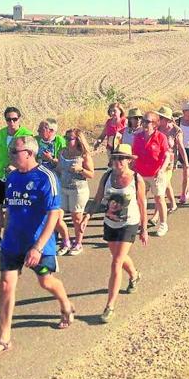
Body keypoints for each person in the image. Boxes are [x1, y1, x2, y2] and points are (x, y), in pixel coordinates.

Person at [0, 136, 74, 361]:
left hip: (38, 245)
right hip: (13, 243)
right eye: (11, 150)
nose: (12, 154)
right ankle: (4, 338)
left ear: (30, 153)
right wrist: (4, 233)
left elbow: (54, 214)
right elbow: (10, 209)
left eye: (16, 151)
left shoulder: (47, 178)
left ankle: (66, 305)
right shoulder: (12, 177)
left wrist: (38, 247)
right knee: (6, 286)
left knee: (46, 281)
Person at [80, 144, 147, 323]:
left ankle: (109, 306)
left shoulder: (136, 179)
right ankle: (134, 275)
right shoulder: (107, 176)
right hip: (110, 223)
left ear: (128, 161)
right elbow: (98, 198)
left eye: (121, 158)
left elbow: (142, 204)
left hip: (129, 224)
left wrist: (144, 228)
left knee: (116, 261)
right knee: (119, 256)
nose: (117, 161)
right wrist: (88, 215)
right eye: (115, 158)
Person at [0, 107, 33, 252]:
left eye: (14, 119)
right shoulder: (0, 134)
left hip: (18, 176)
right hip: (1, 176)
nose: (11, 122)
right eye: (8, 119)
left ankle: (12, 238)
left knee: (12, 209)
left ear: (19, 119)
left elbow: (31, 157)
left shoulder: (26, 134)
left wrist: (17, 167)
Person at [35, 119, 71, 255]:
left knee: (55, 216)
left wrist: (51, 159)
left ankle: (66, 241)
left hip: (56, 182)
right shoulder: (36, 140)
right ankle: (45, 240)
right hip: (40, 182)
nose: (38, 131)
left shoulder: (60, 142)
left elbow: (63, 165)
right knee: (41, 214)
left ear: (50, 131)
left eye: (40, 129)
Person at [131, 111, 169, 237]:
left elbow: (166, 156)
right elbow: (133, 155)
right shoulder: (138, 137)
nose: (144, 123)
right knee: (141, 200)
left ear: (155, 124)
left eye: (147, 121)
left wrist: (162, 170)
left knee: (159, 198)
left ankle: (163, 224)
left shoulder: (161, 137)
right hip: (141, 174)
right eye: (144, 120)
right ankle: (142, 224)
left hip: (156, 173)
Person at [57, 128, 94, 256]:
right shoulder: (62, 152)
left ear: (77, 140)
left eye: (70, 139)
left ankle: (78, 243)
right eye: (65, 138)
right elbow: (59, 168)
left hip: (78, 190)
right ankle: (66, 241)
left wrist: (80, 169)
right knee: (56, 217)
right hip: (63, 188)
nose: (67, 141)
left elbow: (91, 174)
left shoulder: (83, 155)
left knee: (76, 219)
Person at [155, 106, 188, 220]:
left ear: (167, 119)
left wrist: (186, 164)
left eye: (161, 117)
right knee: (166, 184)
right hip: (158, 161)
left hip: (169, 162)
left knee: (161, 185)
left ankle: (156, 214)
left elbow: (181, 147)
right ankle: (173, 204)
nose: (159, 119)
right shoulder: (156, 128)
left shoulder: (176, 130)